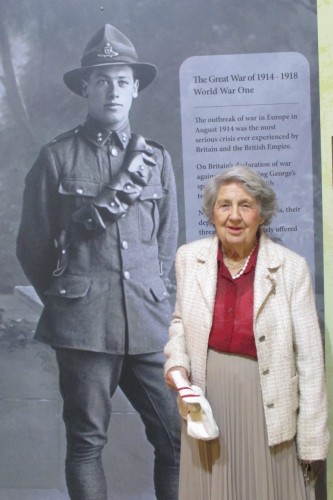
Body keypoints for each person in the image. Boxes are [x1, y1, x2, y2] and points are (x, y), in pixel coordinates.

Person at [17, 23, 180, 500]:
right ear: (85, 87)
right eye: (102, 79)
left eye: (122, 80)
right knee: (87, 444)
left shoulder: (156, 159)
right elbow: (33, 245)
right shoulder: (56, 159)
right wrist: (72, 293)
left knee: (177, 438)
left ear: (135, 90)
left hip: (148, 325)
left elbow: (165, 242)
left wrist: (154, 295)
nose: (112, 90)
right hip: (84, 328)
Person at [164, 165, 329, 500]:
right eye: (225, 205)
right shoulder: (189, 258)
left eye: (246, 205)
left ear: (262, 215)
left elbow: (311, 363)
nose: (234, 216)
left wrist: (313, 442)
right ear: (212, 213)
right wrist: (177, 367)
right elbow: (180, 323)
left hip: (268, 405)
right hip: (208, 403)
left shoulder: (291, 268)